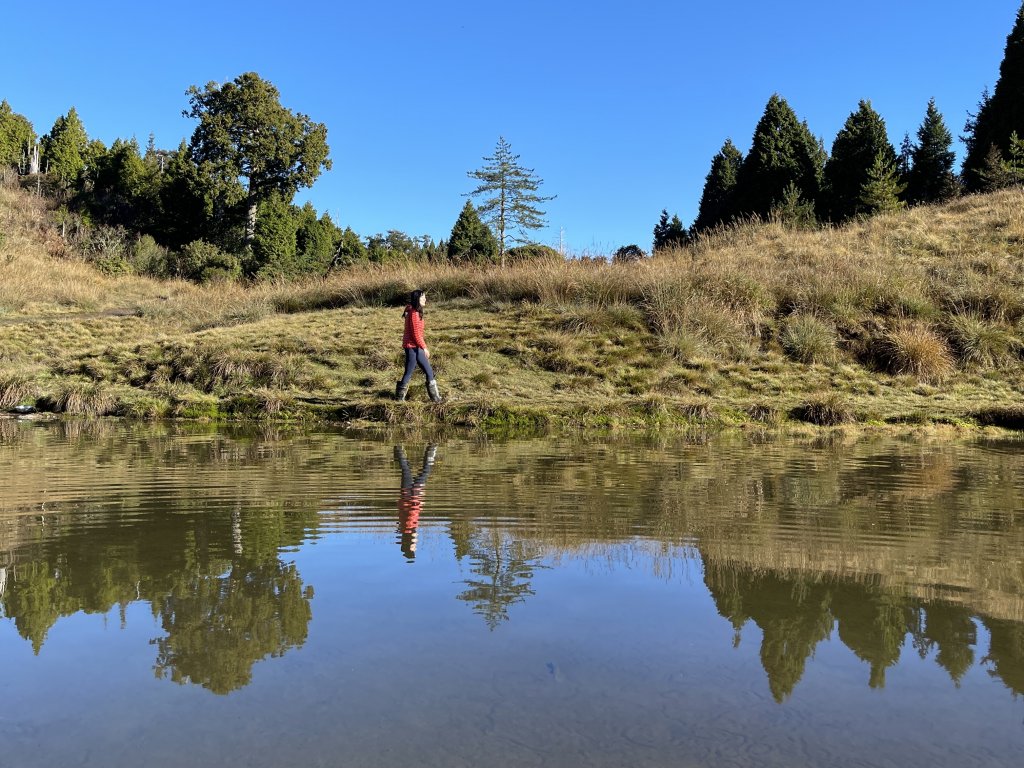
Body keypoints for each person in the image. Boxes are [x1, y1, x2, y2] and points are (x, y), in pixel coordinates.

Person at [396, 289, 441, 402]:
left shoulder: (412, 310)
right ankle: (399, 399)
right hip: (412, 347)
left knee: (428, 371)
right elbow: (416, 334)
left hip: (415, 347)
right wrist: (424, 347)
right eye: (423, 298)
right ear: (417, 299)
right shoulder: (414, 313)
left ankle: (436, 399)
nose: (425, 299)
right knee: (409, 372)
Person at [394, 444, 437, 561]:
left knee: (422, 471)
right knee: (408, 470)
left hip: (412, 494)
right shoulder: (404, 530)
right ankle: (398, 449)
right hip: (408, 495)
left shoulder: (409, 528)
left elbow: (412, 512)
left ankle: (430, 449)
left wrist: (418, 502)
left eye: (414, 546)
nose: (416, 544)